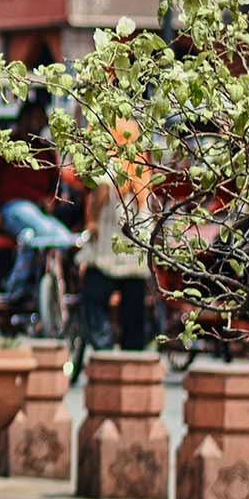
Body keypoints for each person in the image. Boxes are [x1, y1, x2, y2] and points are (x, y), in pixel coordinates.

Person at [0, 101, 73, 305]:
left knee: (30, 238)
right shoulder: (6, 145)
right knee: (58, 237)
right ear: (23, 119)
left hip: (38, 212)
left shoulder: (46, 151)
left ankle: (18, 290)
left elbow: (56, 185)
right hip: (13, 207)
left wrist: (51, 201)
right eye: (34, 118)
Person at [80, 120, 153, 350]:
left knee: (94, 293)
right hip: (136, 245)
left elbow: (102, 190)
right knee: (133, 310)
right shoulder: (140, 163)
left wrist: (91, 221)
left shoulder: (111, 161)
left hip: (111, 244)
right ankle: (133, 357)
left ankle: (102, 346)